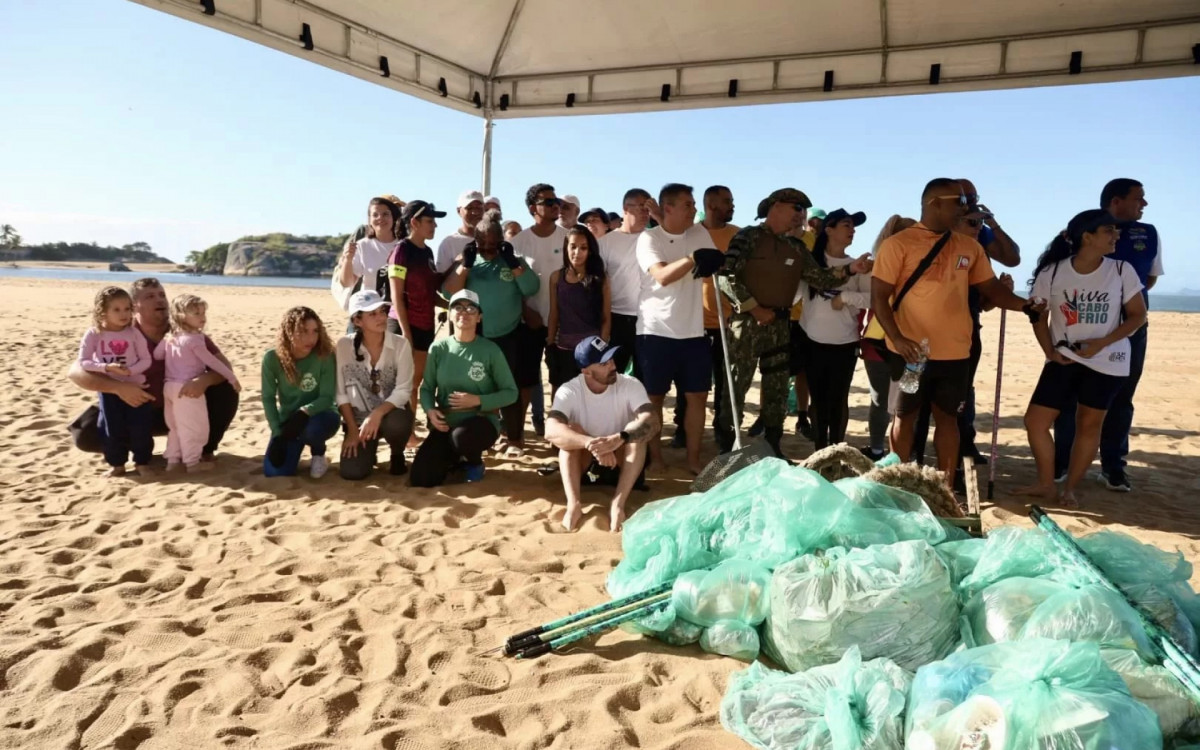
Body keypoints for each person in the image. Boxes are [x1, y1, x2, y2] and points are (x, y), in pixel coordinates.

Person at [871, 178, 1042, 489]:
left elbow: (990, 289)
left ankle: (946, 487)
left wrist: (1024, 306)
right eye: (959, 201)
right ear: (933, 202)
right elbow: (879, 297)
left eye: (968, 201)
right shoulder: (898, 245)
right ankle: (896, 483)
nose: (966, 208)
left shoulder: (969, 246)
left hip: (956, 354)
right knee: (905, 416)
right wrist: (897, 338)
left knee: (949, 418)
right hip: (912, 354)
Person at [718, 189, 871, 458]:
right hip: (746, 324)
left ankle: (773, 444)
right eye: (796, 208)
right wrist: (754, 308)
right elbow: (726, 276)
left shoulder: (797, 248)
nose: (800, 215)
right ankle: (728, 443)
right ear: (776, 207)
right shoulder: (748, 237)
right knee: (737, 384)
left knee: (777, 387)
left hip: (779, 325)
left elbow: (820, 278)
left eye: (802, 210)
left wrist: (849, 270)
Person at [1016, 209, 1147, 508]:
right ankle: (1046, 483)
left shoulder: (1120, 270)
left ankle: (1069, 489)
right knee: (1035, 421)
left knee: (1088, 426)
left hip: (1108, 360)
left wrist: (1101, 343)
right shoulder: (1053, 271)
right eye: (1108, 231)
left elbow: (1138, 316)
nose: (1116, 236)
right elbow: (1038, 315)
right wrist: (1049, 351)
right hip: (1064, 358)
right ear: (1087, 236)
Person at [1053, 178, 1163, 492]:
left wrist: (1123, 300)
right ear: (1116, 202)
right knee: (1071, 396)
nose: (1144, 204)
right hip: (1083, 324)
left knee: (1121, 397)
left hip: (1130, 327)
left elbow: (1149, 280)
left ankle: (1113, 467)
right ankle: (1062, 463)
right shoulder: (1082, 228)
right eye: (1138, 198)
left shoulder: (1149, 234)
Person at [68, 277, 240, 463]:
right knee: (85, 435)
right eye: (150, 296)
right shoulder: (119, 332)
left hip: (181, 408)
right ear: (134, 306)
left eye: (162, 295)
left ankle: (204, 450)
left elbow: (225, 367)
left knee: (227, 389)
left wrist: (203, 381)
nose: (159, 300)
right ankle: (127, 449)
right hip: (132, 407)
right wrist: (118, 388)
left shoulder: (187, 332)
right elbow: (75, 372)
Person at [913, 178, 1023, 468]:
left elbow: (1012, 258)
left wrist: (991, 225)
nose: (970, 203)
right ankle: (915, 458)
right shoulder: (932, 231)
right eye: (964, 198)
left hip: (967, 325)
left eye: (973, 197)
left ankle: (962, 451)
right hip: (922, 330)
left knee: (960, 395)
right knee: (916, 398)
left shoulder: (977, 232)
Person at [635, 183, 725, 474]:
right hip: (655, 332)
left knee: (698, 396)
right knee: (654, 398)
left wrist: (711, 261)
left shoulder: (698, 233)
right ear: (668, 208)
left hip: (693, 333)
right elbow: (661, 275)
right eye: (687, 204)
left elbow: (711, 264)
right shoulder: (649, 238)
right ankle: (656, 458)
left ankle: (694, 460)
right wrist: (692, 258)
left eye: (694, 203)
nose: (693, 209)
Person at [442, 210, 539, 455]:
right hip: (477, 337)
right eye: (482, 244)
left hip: (509, 334)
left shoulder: (512, 260)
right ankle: (482, 436)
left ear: (502, 242)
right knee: (477, 386)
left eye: (493, 244)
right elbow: (448, 292)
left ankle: (515, 439)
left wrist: (513, 263)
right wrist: (465, 263)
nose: (488, 249)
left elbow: (531, 287)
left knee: (510, 388)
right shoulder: (469, 262)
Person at [545, 336, 658, 532]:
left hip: (623, 460)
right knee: (570, 432)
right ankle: (574, 504)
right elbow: (551, 430)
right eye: (604, 363)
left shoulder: (630, 384)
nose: (612, 365)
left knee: (636, 431)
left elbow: (652, 421)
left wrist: (618, 439)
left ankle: (618, 504)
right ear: (586, 371)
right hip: (586, 460)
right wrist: (591, 444)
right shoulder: (569, 390)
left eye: (612, 360)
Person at [411, 289, 518, 486]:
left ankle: (475, 463)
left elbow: (511, 393)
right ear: (450, 315)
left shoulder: (490, 350)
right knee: (421, 478)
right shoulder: (438, 348)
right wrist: (430, 410)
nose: (464, 313)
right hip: (446, 422)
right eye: (458, 307)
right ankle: (455, 460)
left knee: (461, 438)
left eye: (471, 308)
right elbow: (426, 389)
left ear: (479, 317)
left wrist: (478, 401)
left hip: (480, 421)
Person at [799, 208, 872, 450]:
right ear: (828, 229)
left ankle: (837, 449)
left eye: (853, 227)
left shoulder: (858, 265)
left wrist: (846, 297)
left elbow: (872, 300)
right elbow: (793, 295)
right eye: (846, 225)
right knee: (818, 399)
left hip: (845, 342)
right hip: (812, 341)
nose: (852, 231)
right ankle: (820, 451)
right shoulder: (811, 262)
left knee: (839, 398)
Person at [156, 294, 242, 473]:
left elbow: (157, 355)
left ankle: (173, 460)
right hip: (187, 387)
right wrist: (231, 378)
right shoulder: (195, 340)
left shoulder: (171, 338)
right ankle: (192, 462)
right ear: (181, 316)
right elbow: (212, 362)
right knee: (193, 427)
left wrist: (168, 345)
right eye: (196, 313)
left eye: (203, 312)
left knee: (175, 426)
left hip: (169, 387)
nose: (202, 317)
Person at [510, 184, 568, 448]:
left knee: (560, 382)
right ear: (533, 207)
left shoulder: (569, 238)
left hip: (563, 323)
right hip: (528, 324)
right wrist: (525, 311)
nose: (556, 205)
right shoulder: (517, 242)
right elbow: (509, 285)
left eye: (557, 201)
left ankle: (557, 436)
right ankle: (517, 436)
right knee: (525, 382)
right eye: (549, 201)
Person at [335, 290, 415, 479]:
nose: (381, 317)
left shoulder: (400, 344)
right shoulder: (344, 346)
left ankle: (397, 453)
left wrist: (377, 414)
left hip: (390, 415)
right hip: (358, 421)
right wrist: (353, 430)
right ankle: (368, 451)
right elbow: (340, 394)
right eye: (372, 314)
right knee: (352, 473)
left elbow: (404, 390)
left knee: (399, 421)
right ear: (357, 321)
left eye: (382, 311)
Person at [76, 286, 155, 476]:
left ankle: (142, 463)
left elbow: (146, 360)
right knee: (111, 428)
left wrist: (130, 371)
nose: (124, 314)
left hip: (137, 386)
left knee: (141, 428)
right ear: (103, 311)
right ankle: (117, 465)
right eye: (117, 309)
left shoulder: (134, 333)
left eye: (127, 309)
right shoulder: (94, 333)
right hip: (110, 391)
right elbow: (84, 362)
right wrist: (106, 368)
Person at [859, 216, 917, 460]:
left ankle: (889, 451)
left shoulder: (881, 263)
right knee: (890, 403)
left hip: (895, 341)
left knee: (896, 403)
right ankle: (881, 450)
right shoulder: (882, 264)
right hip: (885, 341)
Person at [388, 200, 446, 441]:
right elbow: (396, 297)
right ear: (414, 223)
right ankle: (405, 434)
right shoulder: (402, 250)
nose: (434, 226)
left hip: (425, 325)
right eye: (430, 221)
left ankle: (408, 430)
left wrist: (453, 305)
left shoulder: (427, 252)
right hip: (404, 325)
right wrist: (406, 334)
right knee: (404, 383)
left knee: (416, 382)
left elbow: (431, 294)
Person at [261, 307, 340, 478]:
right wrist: (277, 433)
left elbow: (327, 397)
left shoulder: (324, 356)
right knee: (275, 472)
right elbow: (268, 398)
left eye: (315, 331)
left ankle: (318, 453)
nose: (311, 338)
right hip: (289, 422)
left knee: (311, 430)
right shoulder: (271, 358)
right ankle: (293, 448)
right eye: (303, 332)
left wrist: (304, 412)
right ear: (289, 332)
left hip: (321, 416)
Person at [696, 185, 738, 445]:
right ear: (711, 205)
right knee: (695, 383)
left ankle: (724, 431)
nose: (732, 205)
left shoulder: (738, 235)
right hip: (694, 323)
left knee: (726, 383)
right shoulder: (692, 234)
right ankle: (682, 429)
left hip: (729, 322)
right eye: (727, 201)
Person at [547, 226, 611, 395]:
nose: (577, 252)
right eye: (573, 246)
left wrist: (601, 350)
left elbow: (606, 318)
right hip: (563, 349)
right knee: (561, 397)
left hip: (591, 352)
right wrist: (550, 343)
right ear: (566, 248)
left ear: (590, 251)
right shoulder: (556, 277)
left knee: (591, 398)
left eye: (583, 247)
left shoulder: (600, 279)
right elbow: (554, 314)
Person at [599, 188, 654, 377]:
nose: (646, 213)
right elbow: (598, 283)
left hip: (649, 319)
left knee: (644, 379)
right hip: (617, 319)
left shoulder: (655, 239)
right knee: (612, 376)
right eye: (641, 207)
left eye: (648, 208)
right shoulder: (606, 242)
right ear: (625, 209)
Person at [331, 194, 404, 311]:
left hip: (397, 312)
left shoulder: (404, 246)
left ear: (394, 216)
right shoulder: (362, 244)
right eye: (375, 214)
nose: (380, 218)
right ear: (369, 219)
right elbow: (347, 282)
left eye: (386, 214)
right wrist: (348, 260)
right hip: (369, 311)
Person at [436, 190, 486, 274]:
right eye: (469, 208)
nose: (475, 212)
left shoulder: (493, 240)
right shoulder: (449, 242)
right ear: (459, 211)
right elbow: (440, 280)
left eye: (479, 208)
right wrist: (458, 263)